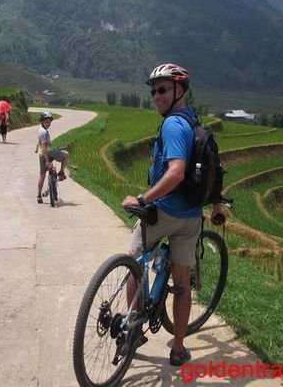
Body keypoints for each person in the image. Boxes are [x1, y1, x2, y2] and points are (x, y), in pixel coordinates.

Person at [121, 63, 226, 366]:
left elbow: (177, 172)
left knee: (133, 263)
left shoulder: (172, 125)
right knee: (182, 284)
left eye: (163, 89)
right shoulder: (194, 123)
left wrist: (142, 198)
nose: (157, 96)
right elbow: (213, 167)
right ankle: (178, 348)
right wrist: (216, 204)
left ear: (179, 90)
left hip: (163, 212)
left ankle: (132, 329)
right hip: (190, 218)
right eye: (154, 91)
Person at [35, 111, 69, 204]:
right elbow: (45, 147)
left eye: (49, 122)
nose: (48, 124)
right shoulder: (44, 133)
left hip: (41, 155)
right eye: (46, 122)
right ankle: (61, 173)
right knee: (66, 154)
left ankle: (39, 195)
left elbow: (39, 142)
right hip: (48, 153)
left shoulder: (40, 130)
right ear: (42, 122)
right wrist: (47, 161)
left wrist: (37, 149)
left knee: (42, 175)